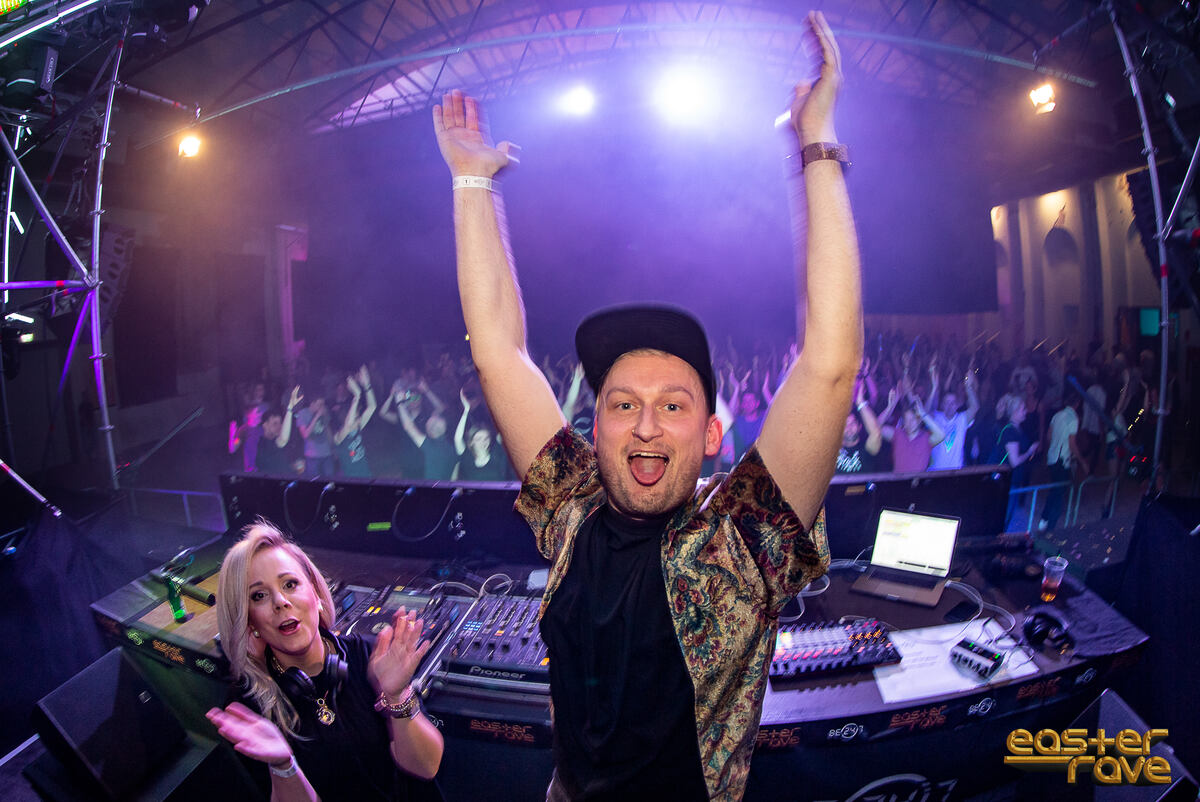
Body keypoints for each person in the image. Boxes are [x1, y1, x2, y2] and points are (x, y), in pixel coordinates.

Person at [431, 11, 859, 800]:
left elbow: (829, 366)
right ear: (594, 428)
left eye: (673, 405)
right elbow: (498, 353)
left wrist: (817, 145)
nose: (647, 425)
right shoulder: (571, 506)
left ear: (713, 433)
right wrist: (471, 181)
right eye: (623, 404)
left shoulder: (741, 543)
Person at [206, 522, 444, 801]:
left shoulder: (367, 655)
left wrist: (397, 696)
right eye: (259, 595)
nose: (280, 601)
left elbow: (426, 767)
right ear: (249, 621)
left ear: (317, 594)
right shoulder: (248, 704)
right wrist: (283, 766)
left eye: (290, 584)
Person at [256, 386, 304, 475]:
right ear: (265, 425)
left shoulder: (278, 442)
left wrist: (295, 466)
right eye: (275, 423)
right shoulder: (263, 444)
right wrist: (290, 409)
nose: (279, 426)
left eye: (280, 423)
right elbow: (283, 440)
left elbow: (279, 465)